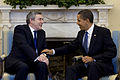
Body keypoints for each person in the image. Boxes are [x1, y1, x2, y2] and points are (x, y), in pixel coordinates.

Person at [42, 9, 117, 80]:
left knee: (92, 65)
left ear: (87, 20)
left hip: (102, 66)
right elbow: (70, 47)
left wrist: (93, 58)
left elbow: (112, 52)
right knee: (71, 69)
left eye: (79, 20)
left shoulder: (103, 32)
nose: (77, 23)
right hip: (88, 66)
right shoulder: (81, 34)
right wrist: (53, 51)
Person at [4, 11, 49, 80]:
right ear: (31, 20)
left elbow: (44, 48)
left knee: (42, 65)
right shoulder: (20, 29)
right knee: (23, 67)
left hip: (32, 62)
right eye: (40, 19)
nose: (42, 22)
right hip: (17, 61)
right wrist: (38, 57)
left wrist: (43, 55)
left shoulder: (42, 33)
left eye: (42, 19)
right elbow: (23, 45)